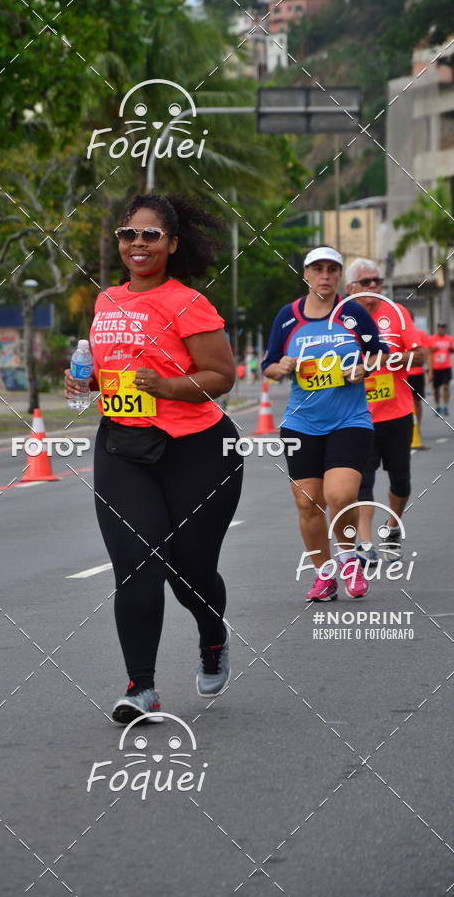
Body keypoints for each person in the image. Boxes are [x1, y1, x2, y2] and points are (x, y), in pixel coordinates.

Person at [65, 194, 243, 724]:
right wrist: (85, 380)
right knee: (138, 566)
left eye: (149, 235)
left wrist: (166, 385)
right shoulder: (105, 302)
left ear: (170, 243)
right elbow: (108, 373)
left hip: (199, 451)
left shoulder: (187, 302)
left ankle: (213, 636)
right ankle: (140, 688)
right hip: (124, 446)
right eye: (127, 234)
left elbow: (221, 377)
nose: (137, 244)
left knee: (189, 572)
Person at [262, 246, 385, 602]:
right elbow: (268, 365)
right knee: (307, 503)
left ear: (340, 277)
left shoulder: (353, 314)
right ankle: (324, 574)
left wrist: (365, 367)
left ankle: (348, 557)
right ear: (306, 274)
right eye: (318, 269)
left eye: (333, 269)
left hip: (350, 420)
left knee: (340, 494)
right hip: (302, 423)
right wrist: (281, 368)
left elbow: (377, 351)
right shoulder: (288, 318)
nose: (325, 276)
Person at [346, 258, 424, 565]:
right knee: (363, 482)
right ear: (351, 288)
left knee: (400, 481)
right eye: (366, 283)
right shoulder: (341, 319)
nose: (374, 286)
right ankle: (366, 543)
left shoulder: (397, 313)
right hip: (358, 416)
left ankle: (392, 528)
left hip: (397, 413)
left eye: (377, 281)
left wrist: (384, 361)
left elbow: (418, 356)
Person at [407, 310, 431, 432]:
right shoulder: (396, 333)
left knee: (417, 401)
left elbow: (427, 354)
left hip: (417, 374)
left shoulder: (420, 334)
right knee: (406, 403)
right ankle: (408, 428)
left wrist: (430, 371)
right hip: (403, 375)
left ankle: (418, 427)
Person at [428, 322, 454, 415]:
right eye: (440, 328)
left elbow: (452, 349)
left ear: (445, 329)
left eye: (443, 328)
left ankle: (445, 406)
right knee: (436, 389)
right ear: (437, 328)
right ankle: (438, 406)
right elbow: (427, 352)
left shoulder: (449, 339)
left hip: (446, 367)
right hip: (435, 367)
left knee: (446, 387)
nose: (441, 330)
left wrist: (451, 348)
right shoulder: (431, 339)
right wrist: (433, 349)